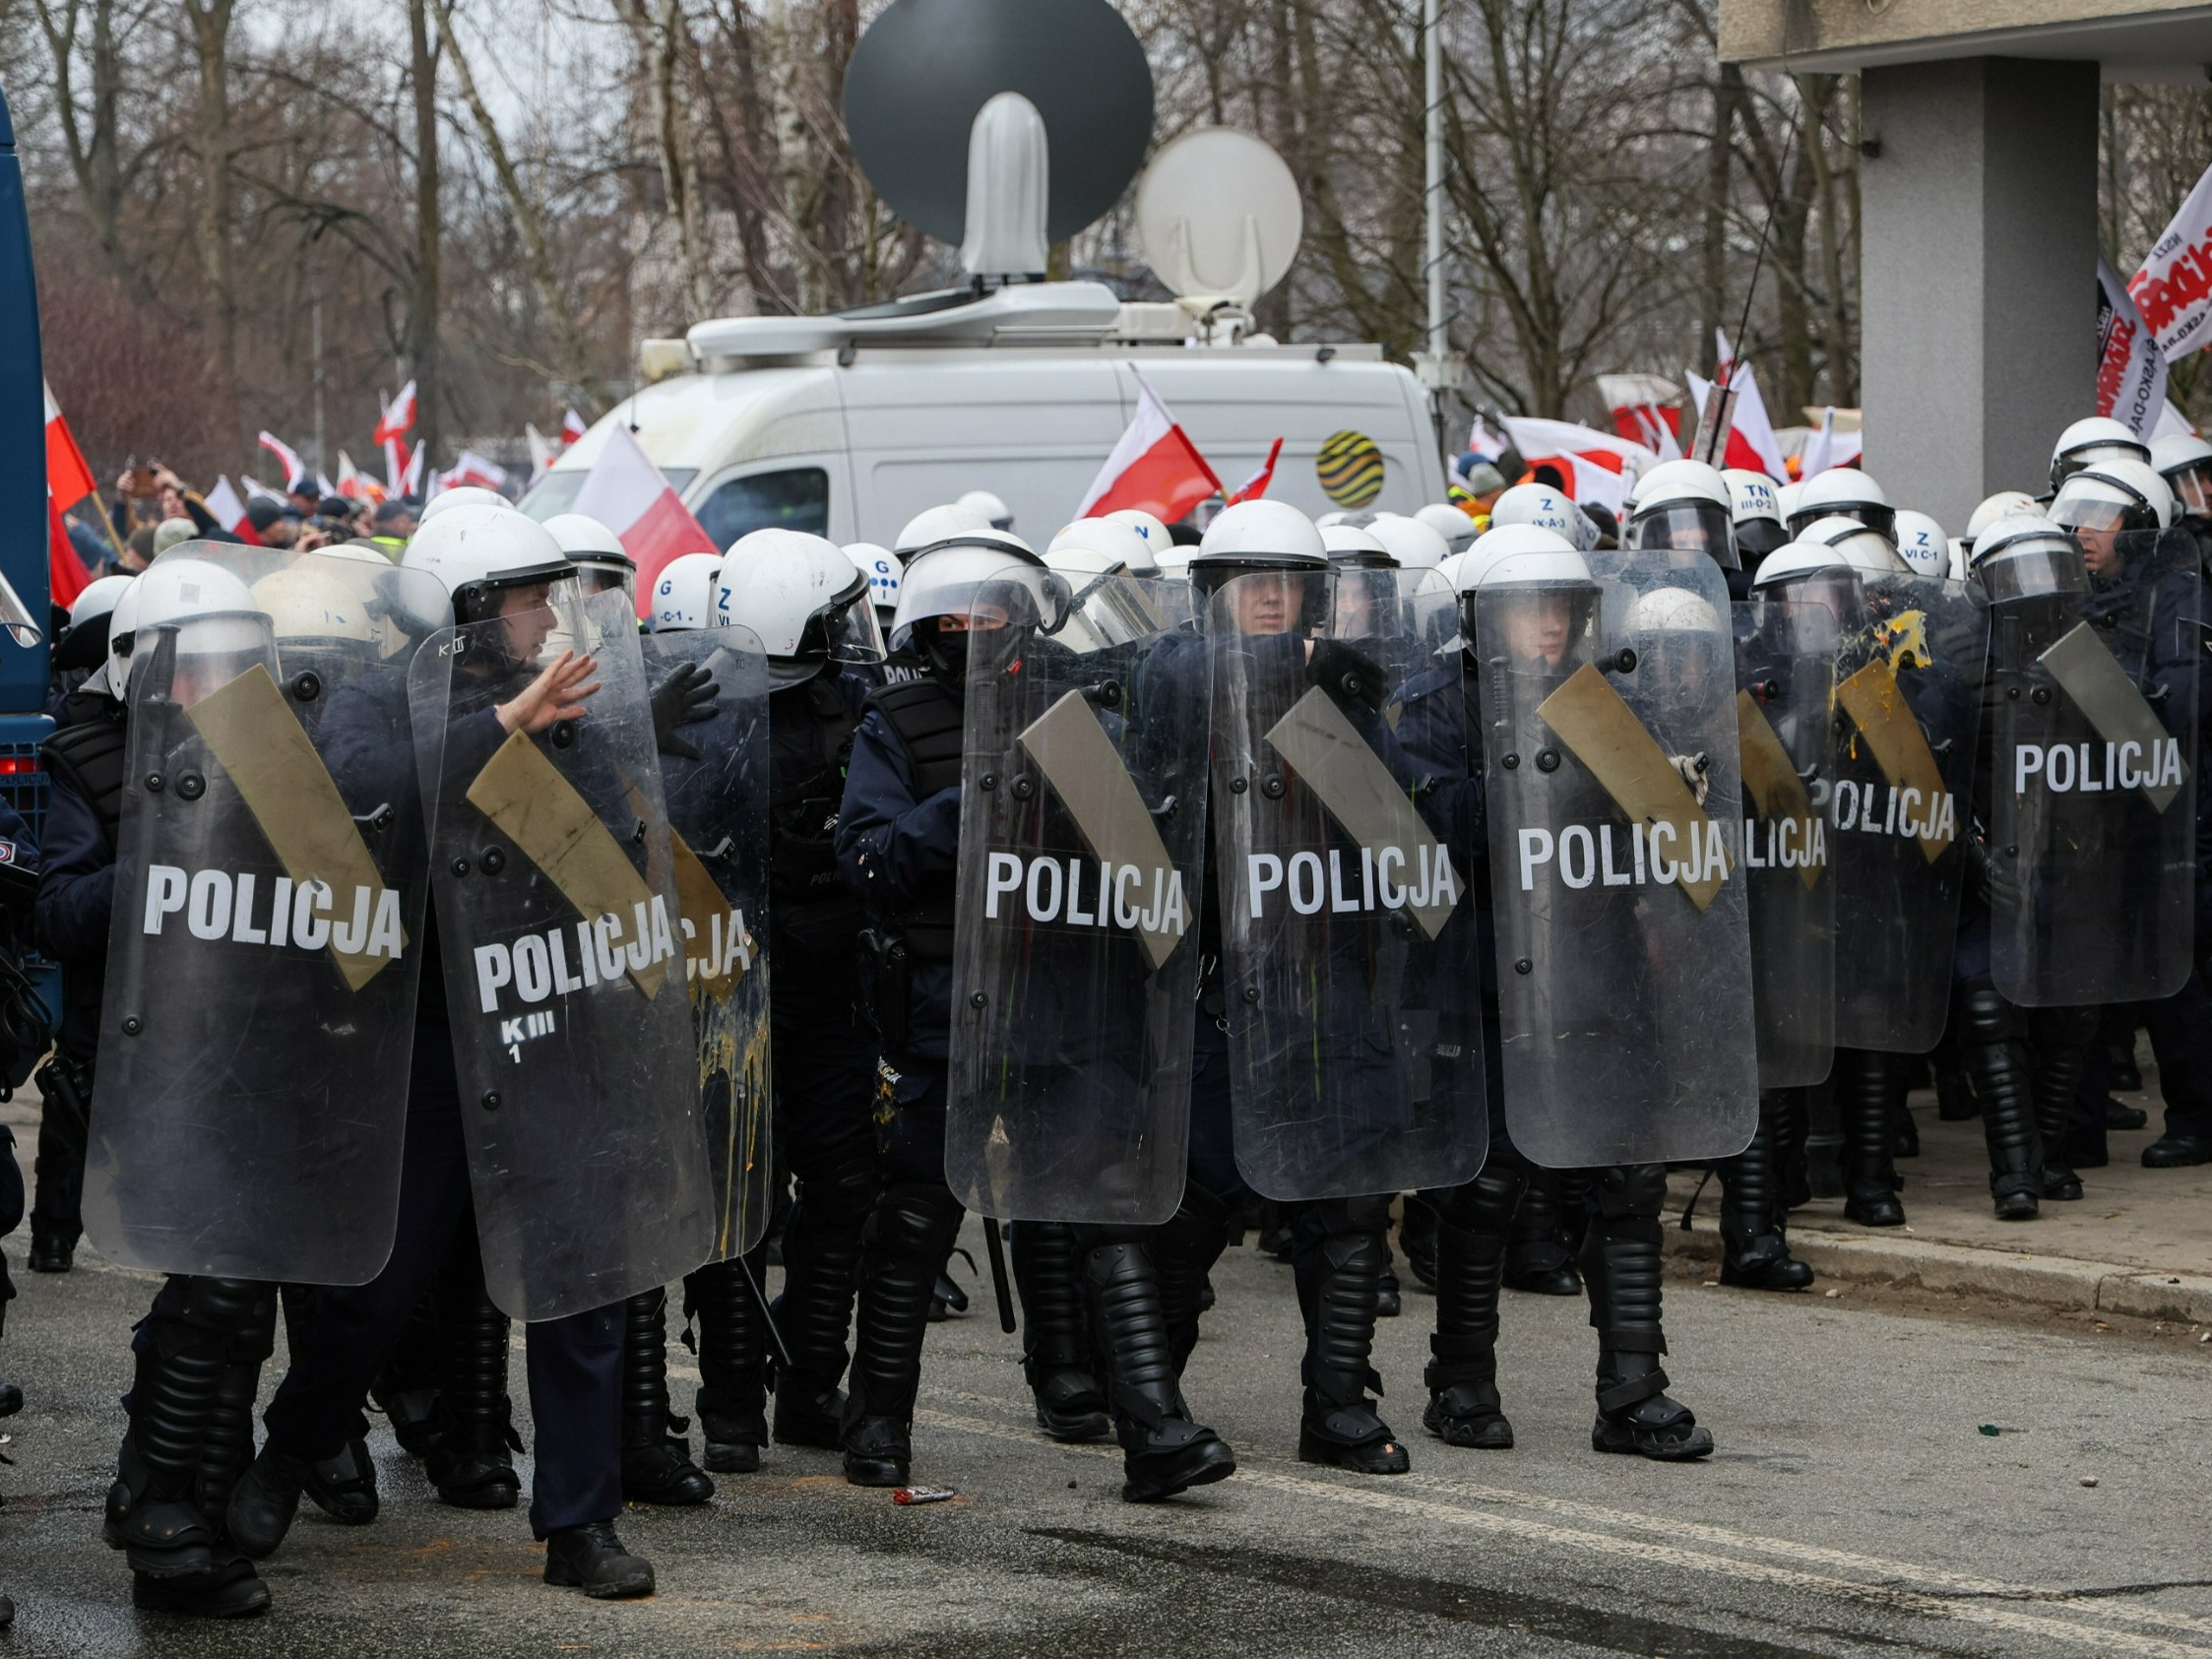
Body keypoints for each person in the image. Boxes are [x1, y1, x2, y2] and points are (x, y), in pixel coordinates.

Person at [226, 505, 662, 1600]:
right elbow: (367, 798)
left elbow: (611, 856)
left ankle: (579, 1519)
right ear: (472, 608)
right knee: (381, 1282)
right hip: (422, 1043)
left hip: (539, 1026)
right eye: (528, 597)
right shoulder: (384, 697)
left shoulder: (562, 710)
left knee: (578, 1281)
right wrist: (504, 723)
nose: (548, 615)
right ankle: (293, 1447)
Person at [833, 526, 1073, 1487]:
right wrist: (977, 789)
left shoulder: (1065, 710)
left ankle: (1087, 1390)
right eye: (955, 614)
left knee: (1063, 1208)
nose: (973, 629)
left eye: (990, 611)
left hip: (1052, 999)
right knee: (915, 1222)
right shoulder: (894, 722)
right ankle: (877, 1421)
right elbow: (872, 857)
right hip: (942, 1009)